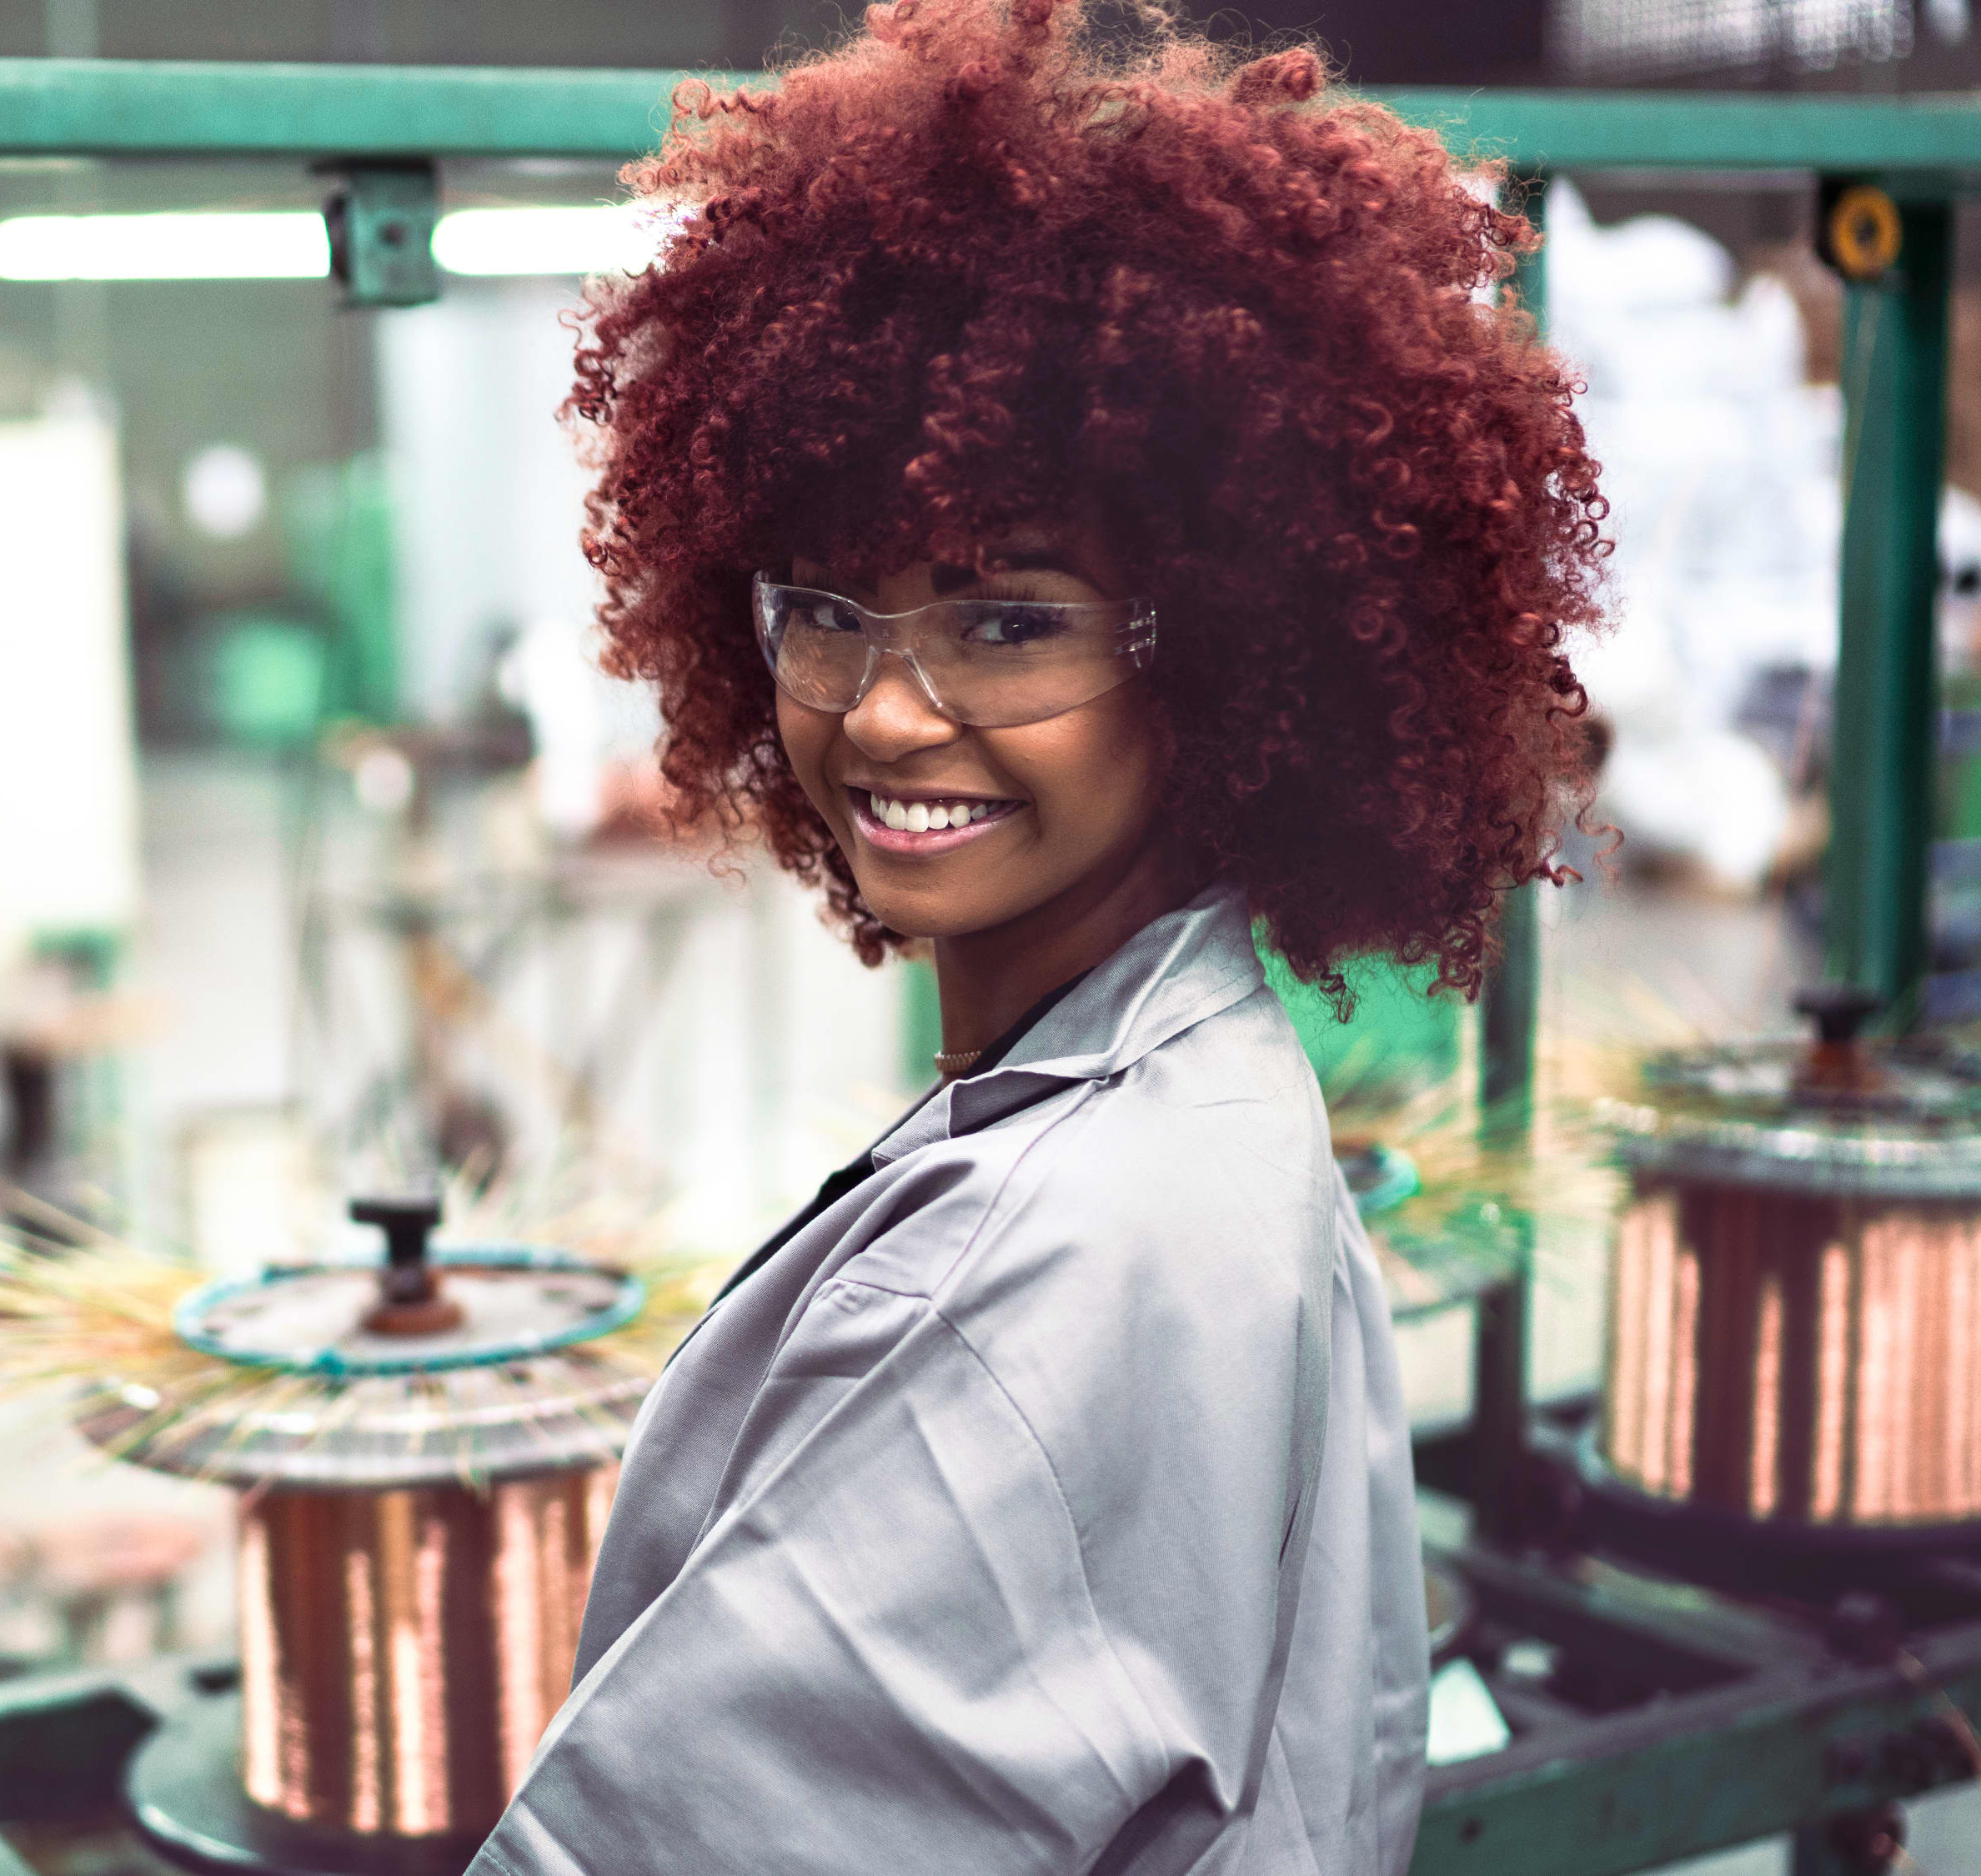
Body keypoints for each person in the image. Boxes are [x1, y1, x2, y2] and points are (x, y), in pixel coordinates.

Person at [467, 3, 1603, 1873]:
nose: (887, 716)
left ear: (1233, 658)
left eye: (1009, 623)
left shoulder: (1052, 1257)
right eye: (826, 610)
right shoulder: (1180, 1098)